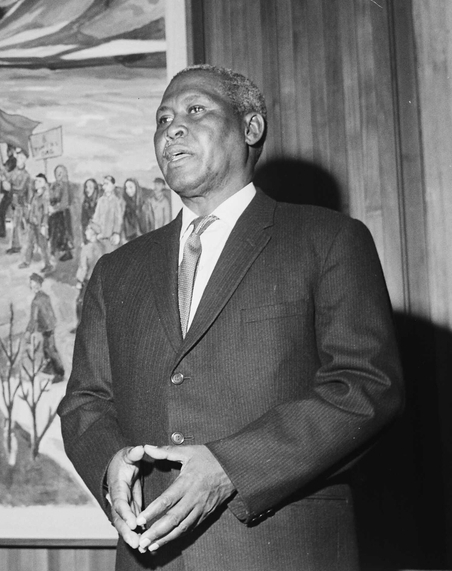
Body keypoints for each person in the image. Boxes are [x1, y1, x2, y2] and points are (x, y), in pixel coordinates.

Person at [58, 65, 404, 571]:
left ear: (250, 127)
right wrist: (110, 465)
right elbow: (85, 402)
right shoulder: (116, 270)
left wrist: (230, 469)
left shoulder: (328, 240)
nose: (172, 128)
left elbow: (366, 386)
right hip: (151, 557)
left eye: (195, 110)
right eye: (162, 119)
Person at [25, 272, 64, 383]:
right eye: (31, 284)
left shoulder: (36, 301)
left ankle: (59, 372)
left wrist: (28, 331)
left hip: (46, 327)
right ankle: (49, 367)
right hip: (50, 325)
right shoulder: (45, 296)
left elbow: (33, 319)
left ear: (38, 285)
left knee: (50, 349)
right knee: (46, 347)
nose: (31, 286)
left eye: (33, 284)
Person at [72, 222, 105, 332]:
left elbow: (83, 268)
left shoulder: (86, 249)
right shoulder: (102, 247)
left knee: (80, 302)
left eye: (88, 230)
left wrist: (79, 281)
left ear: (93, 233)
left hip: (89, 280)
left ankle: (81, 326)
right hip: (101, 281)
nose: (85, 232)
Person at [19, 173, 52, 273]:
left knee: (43, 245)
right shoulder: (35, 195)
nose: (36, 183)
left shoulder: (45, 197)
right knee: (29, 242)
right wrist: (28, 218)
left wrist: (44, 225)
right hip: (32, 224)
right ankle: (27, 261)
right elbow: (31, 209)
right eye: (36, 181)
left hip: (40, 225)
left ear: (44, 184)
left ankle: (48, 264)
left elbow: (46, 213)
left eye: (39, 181)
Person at [3, 148, 32, 254]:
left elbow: (20, 188)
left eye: (21, 158)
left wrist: (10, 187)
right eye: (18, 157)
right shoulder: (14, 171)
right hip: (14, 201)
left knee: (24, 223)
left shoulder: (26, 175)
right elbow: (7, 177)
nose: (18, 160)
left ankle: (27, 245)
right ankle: (16, 245)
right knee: (16, 223)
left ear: (24, 160)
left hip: (21, 202)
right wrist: (3, 175)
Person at [48, 164, 75, 262]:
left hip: (63, 213)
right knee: (54, 232)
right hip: (54, 213)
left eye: (61, 172)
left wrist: (55, 208)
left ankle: (67, 253)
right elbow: (50, 197)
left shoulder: (66, 185)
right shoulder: (53, 185)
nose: (58, 174)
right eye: (57, 172)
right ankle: (54, 252)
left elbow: (65, 202)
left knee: (65, 232)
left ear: (65, 173)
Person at [91, 175, 123, 253]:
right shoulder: (100, 200)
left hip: (111, 238)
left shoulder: (116, 201)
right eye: (103, 184)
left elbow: (118, 219)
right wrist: (94, 229)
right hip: (100, 236)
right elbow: (96, 217)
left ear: (113, 186)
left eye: (107, 184)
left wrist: (116, 233)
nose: (104, 186)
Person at [122, 178, 147, 242]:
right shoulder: (127, 206)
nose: (128, 190)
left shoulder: (144, 204)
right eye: (126, 188)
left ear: (136, 188)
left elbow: (148, 226)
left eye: (131, 187)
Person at [80, 178, 100, 242]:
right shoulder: (85, 204)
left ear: (95, 189)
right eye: (86, 187)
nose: (87, 190)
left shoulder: (100, 203)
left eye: (90, 187)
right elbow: (84, 223)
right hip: (89, 234)